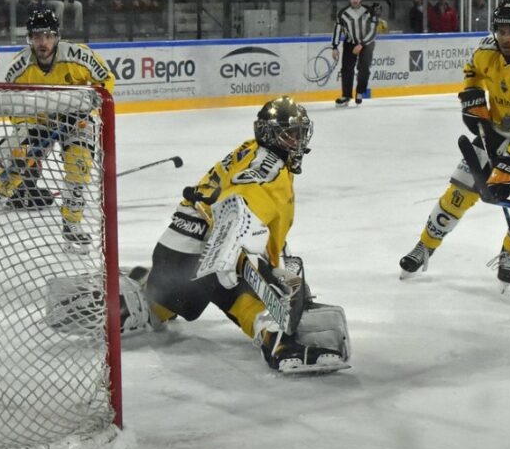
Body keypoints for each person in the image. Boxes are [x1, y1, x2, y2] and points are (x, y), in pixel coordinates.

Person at [114, 96, 350, 374]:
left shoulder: (253, 150)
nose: (296, 142)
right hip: (202, 258)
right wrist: (234, 259)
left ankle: (137, 298)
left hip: (176, 253)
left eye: (300, 134)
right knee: (243, 290)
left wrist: (271, 263)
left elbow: (247, 213)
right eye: (289, 135)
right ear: (268, 134)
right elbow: (236, 208)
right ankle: (281, 343)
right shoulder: (269, 171)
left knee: (175, 298)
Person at [398, 0, 510, 285]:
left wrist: (508, 164)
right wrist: (472, 96)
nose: (505, 38)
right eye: (501, 31)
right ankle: (425, 246)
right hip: (496, 131)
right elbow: (472, 70)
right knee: (459, 192)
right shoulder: (486, 50)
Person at [0, 9, 114, 249]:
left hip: (77, 120)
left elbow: (106, 80)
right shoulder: (19, 68)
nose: (43, 42)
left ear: (57, 36)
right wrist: (23, 133)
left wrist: (86, 104)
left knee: (79, 167)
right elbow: (15, 107)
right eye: (37, 36)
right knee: (12, 170)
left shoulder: (78, 56)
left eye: (48, 36)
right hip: (37, 122)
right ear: (29, 39)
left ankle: (72, 224)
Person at [330, 0, 379, 107]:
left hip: (366, 44)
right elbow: (337, 29)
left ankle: (360, 92)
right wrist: (335, 46)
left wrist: (362, 44)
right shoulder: (343, 13)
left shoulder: (369, 11)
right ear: (350, 0)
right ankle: (346, 95)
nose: (355, 0)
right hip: (350, 43)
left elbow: (373, 31)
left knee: (364, 69)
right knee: (346, 69)